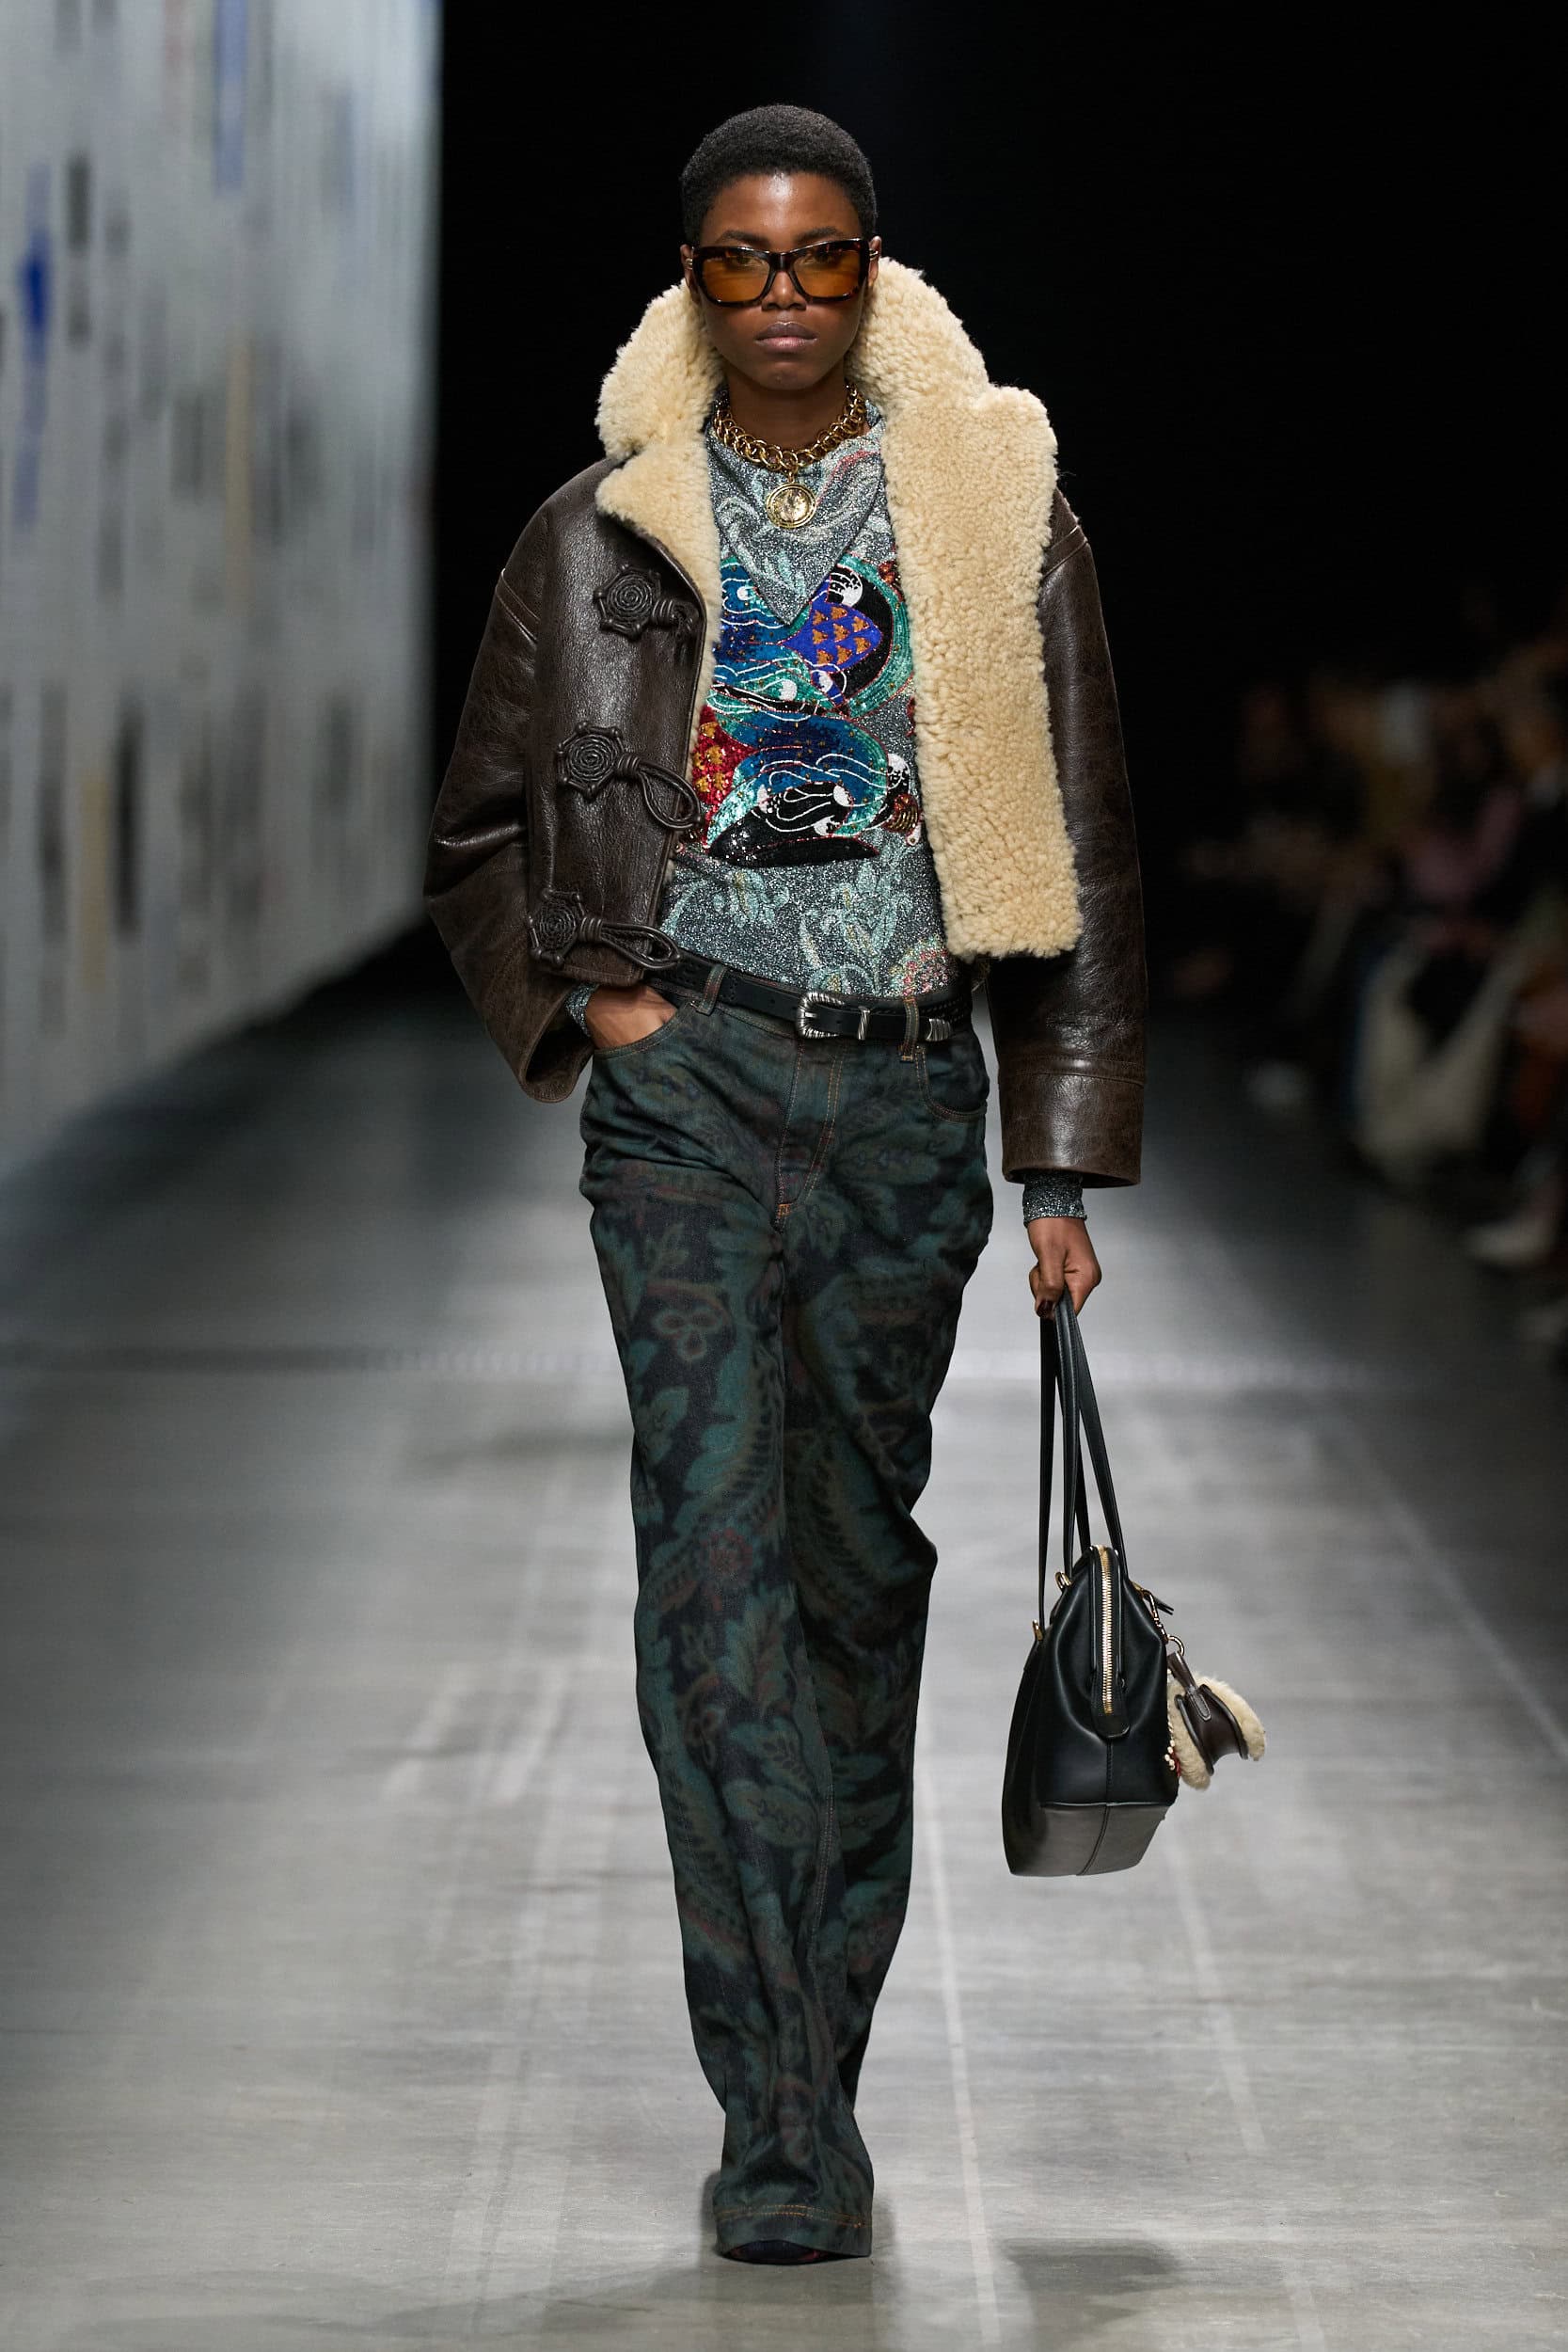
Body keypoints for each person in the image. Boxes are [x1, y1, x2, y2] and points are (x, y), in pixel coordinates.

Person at [424, 104, 1146, 2265]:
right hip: (695, 1092)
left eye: (820, 257)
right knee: (711, 1572)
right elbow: (480, 828)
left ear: (870, 266)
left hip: (908, 1098)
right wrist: (605, 1007)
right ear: (692, 280)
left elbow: (1085, 844)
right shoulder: (598, 531)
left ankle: (819, 2043)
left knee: (847, 1583)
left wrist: (1059, 1154)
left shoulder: (999, 512)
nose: (784, 297)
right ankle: (779, 2113)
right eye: (742, 262)